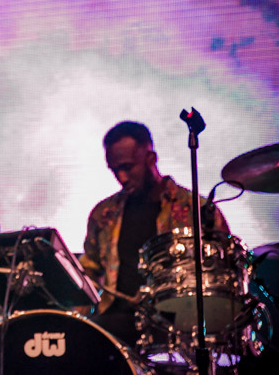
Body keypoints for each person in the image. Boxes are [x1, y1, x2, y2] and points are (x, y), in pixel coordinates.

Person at [80, 120, 229, 346]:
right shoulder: (104, 214)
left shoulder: (196, 209)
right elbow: (88, 270)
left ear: (151, 159)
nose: (121, 177)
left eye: (127, 167)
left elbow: (225, 267)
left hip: (179, 319)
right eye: (115, 170)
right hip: (116, 322)